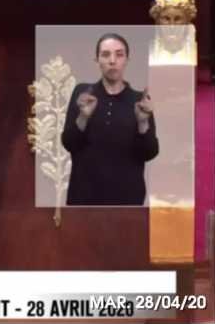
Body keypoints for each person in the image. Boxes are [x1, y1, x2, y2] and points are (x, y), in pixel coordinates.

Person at [61, 33, 159, 206]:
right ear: (97, 60)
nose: (112, 61)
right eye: (105, 55)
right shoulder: (84, 94)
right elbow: (69, 143)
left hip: (127, 200)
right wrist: (83, 117)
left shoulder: (139, 100)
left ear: (127, 59)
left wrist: (143, 122)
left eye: (119, 55)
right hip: (84, 198)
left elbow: (149, 153)